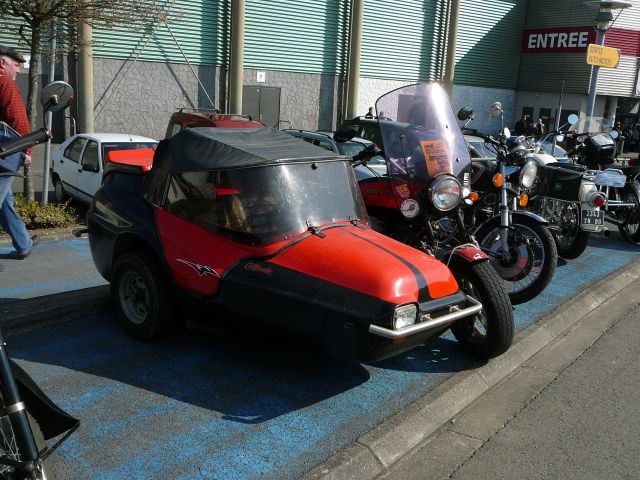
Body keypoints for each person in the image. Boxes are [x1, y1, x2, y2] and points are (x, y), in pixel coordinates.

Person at [0, 45, 39, 260]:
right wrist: (27, 150)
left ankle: (23, 244)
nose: (18, 71)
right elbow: (19, 122)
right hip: (5, 155)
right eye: (16, 65)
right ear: (2, 63)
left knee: (5, 201)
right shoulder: (5, 83)